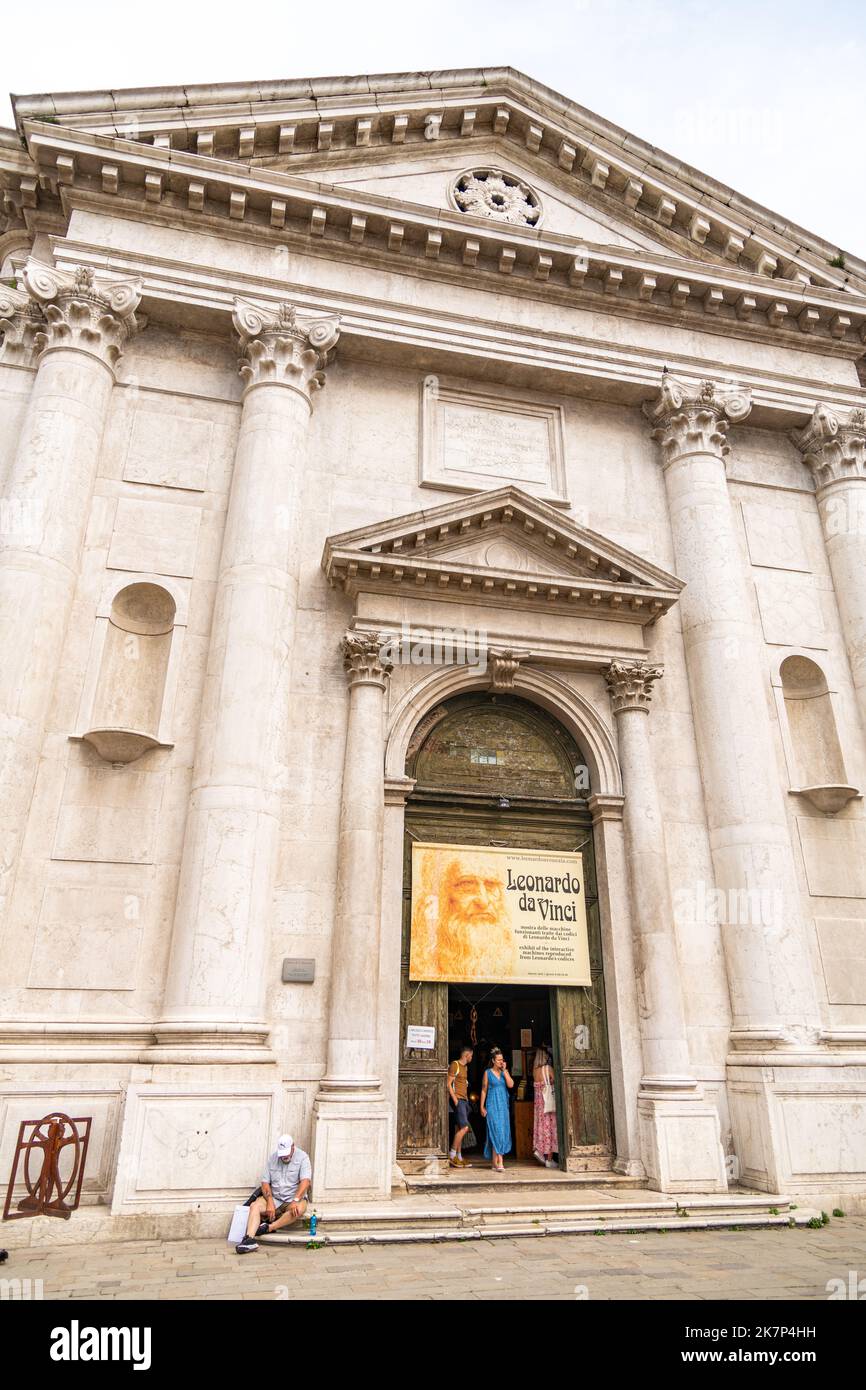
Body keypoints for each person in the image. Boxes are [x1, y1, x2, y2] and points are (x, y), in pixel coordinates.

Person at [410, 850, 518, 982]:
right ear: (442, 894)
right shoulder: (423, 959)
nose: (483, 901)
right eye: (466, 884)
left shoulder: (511, 959)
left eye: (491, 885)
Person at [236, 1133, 312, 1254]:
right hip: (275, 1197)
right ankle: (249, 1239)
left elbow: (306, 1181)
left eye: (287, 1153)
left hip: (293, 1199)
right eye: (282, 1154)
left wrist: (296, 1200)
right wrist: (270, 1202)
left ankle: (269, 1227)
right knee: (254, 1206)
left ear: (293, 1147)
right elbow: (265, 1183)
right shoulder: (273, 1158)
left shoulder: (303, 1157)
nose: (284, 1156)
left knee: (299, 1208)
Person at [480, 1047, 514, 1172]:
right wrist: (481, 1106)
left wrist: (505, 1071)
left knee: (502, 1131)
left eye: (502, 1060)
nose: (501, 1062)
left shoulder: (504, 1072)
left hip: (503, 1106)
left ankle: (494, 1163)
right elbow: (484, 1090)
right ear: (493, 1061)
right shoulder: (487, 1073)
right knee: (496, 1130)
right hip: (492, 1105)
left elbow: (511, 1085)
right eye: (499, 1060)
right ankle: (500, 1162)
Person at [532, 1045, 559, 1169]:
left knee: (540, 1128)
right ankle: (549, 1159)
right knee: (551, 1130)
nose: (549, 1057)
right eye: (547, 1055)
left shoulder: (535, 1071)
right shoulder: (548, 1068)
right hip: (548, 1104)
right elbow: (555, 1081)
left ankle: (539, 1149)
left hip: (539, 1105)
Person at [447, 1044, 474, 1167]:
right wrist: (455, 1100)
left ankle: (459, 1156)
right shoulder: (455, 1065)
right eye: (471, 1055)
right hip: (458, 1100)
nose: (472, 1058)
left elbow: (464, 1084)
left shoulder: (465, 1068)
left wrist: (466, 1099)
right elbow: (448, 1084)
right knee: (465, 1128)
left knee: (459, 1128)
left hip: (464, 1100)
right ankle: (452, 1155)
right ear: (467, 1055)